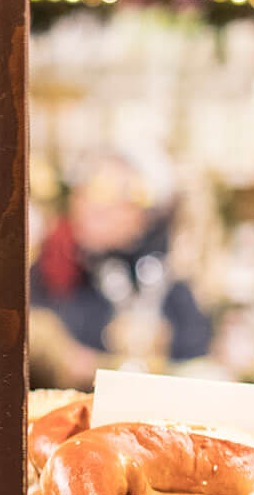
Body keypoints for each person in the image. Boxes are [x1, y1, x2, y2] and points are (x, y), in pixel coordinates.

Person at [29, 149, 213, 388]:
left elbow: (197, 350)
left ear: (143, 212)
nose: (95, 208)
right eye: (86, 192)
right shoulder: (53, 264)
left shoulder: (164, 272)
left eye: (113, 196)